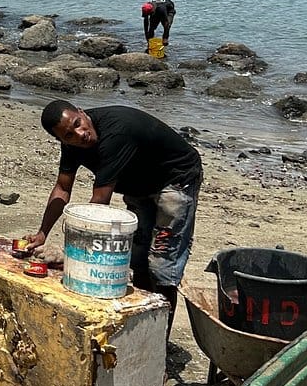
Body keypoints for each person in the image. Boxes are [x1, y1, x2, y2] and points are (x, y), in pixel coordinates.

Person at [33, 100, 202, 322]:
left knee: (162, 265)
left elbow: (99, 202)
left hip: (176, 178)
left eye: (78, 123)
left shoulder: (117, 132)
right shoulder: (71, 145)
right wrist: (42, 232)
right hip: (138, 184)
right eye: (69, 135)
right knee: (139, 259)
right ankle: (144, 325)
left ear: (82, 113)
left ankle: (161, 340)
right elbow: (63, 188)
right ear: (61, 140)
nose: (80, 134)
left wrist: (73, 253)